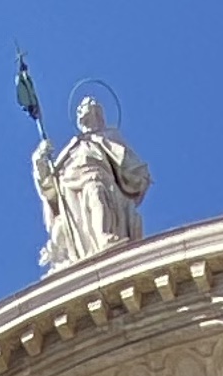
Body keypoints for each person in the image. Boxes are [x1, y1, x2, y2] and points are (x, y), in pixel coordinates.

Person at [32, 96, 151, 270]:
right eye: (82, 110)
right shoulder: (74, 144)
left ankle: (104, 236)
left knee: (97, 195)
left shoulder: (108, 137)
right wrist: (40, 160)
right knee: (78, 219)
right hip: (69, 185)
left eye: (90, 108)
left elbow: (128, 161)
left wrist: (139, 175)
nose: (85, 112)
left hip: (96, 176)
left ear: (99, 115)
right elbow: (48, 185)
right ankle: (92, 245)